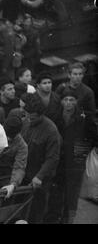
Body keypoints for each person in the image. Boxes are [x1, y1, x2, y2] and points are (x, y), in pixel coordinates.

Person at [46, 89, 98, 224]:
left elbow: (94, 137)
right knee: (55, 195)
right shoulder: (54, 117)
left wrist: (82, 151)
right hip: (57, 163)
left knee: (72, 196)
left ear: (76, 102)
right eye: (66, 100)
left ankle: (68, 220)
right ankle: (53, 219)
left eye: (72, 100)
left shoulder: (84, 119)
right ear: (61, 102)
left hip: (75, 165)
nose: (68, 103)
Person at [20, 93, 61, 224]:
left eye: (31, 117)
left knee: (35, 213)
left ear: (40, 114)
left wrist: (39, 177)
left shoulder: (51, 131)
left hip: (39, 181)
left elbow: (52, 158)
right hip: (24, 176)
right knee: (20, 213)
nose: (27, 118)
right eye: (26, 114)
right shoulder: (26, 123)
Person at [0, 115, 28, 198]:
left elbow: (19, 167)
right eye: (6, 134)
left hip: (3, 183)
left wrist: (13, 184)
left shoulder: (22, 146)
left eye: (11, 136)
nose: (7, 139)